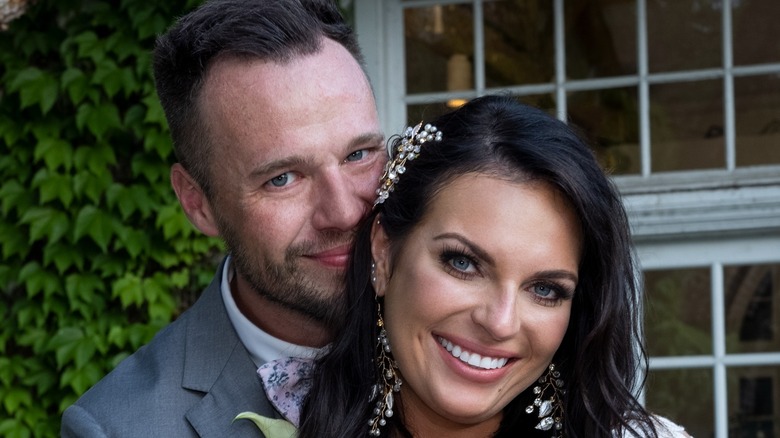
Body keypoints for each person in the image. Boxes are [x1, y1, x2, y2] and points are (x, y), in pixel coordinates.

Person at [251, 95, 689, 437]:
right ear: (383, 252)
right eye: (462, 263)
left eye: (545, 290)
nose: (499, 322)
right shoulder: (275, 418)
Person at [60, 0, 385, 436]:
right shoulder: (117, 427)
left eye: (358, 155)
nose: (344, 212)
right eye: (283, 178)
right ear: (198, 204)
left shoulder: (481, 331)